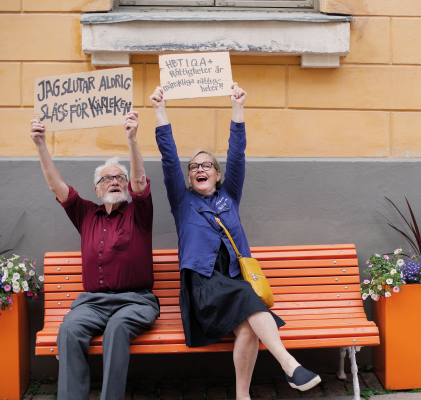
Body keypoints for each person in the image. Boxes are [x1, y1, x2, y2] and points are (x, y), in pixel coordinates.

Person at [150, 84, 321, 399]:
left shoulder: (229, 197)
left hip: (233, 285)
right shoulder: (182, 201)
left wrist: (238, 108)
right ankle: (289, 364)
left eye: (207, 166)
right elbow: (168, 158)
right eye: (194, 167)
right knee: (246, 297)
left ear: (217, 175)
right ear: (188, 178)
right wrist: (160, 110)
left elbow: (237, 155)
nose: (199, 169)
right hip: (202, 287)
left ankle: (243, 397)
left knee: (247, 329)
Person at [29, 111, 160, 400]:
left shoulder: (139, 213)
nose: (114, 181)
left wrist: (132, 138)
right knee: (70, 329)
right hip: (93, 303)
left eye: (119, 177)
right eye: (107, 178)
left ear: (125, 185)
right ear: (97, 189)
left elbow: (140, 180)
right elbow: (56, 186)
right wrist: (40, 144)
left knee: (116, 329)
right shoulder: (86, 213)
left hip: (136, 301)